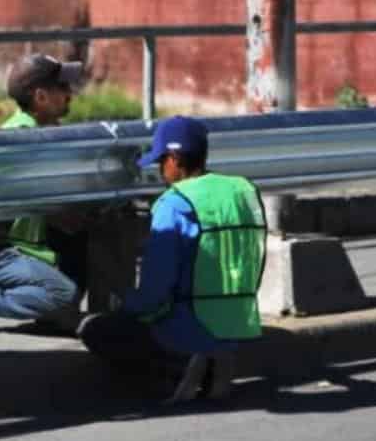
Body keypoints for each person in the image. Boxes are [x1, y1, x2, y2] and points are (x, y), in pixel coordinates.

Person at [79, 115, 267, 403]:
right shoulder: (239, 192)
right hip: (233, 326)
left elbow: (155, 293)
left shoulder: (174, 204)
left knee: (96, 329)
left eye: (161, 160)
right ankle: (218, 359)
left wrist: (123, 301)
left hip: (187, 326)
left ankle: (178, 367)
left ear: (176, 158)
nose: (159, 169)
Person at [0, 54, 89, 336]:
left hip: (25, 244)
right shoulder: (22, 139)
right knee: (64, 294)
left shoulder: (43, 132)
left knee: (75, 257)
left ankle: (48, 307)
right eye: (63, 88)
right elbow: (53, 207)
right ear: (41, 96)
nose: (69, 94)